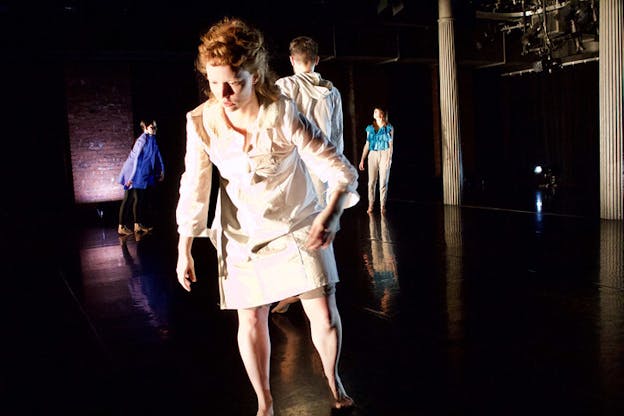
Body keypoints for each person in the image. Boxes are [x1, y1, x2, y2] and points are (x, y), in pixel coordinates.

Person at [175, 18, 358, 415]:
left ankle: (333, 378)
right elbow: (195, 183)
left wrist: (331, 215)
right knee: (251, 318)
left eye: (234, 83)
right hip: (243, 230)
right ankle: (265, 402)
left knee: (323, 312)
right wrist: (184, 246)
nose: (222, 93)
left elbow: (341, 170)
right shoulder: (201, 122)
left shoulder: (281, 113)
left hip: (297, 220)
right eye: (213, 82)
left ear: (254, 75)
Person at [273, 36, 344, 315]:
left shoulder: (284, 87)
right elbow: (336, 139)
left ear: (292, 60)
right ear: (316, 59)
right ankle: (322, 288)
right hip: (323, 170)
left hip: (294, 170)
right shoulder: (332, 93)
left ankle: (294, 291)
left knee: (291, 232)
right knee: (322, 227)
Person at [118, 120, 165, 235]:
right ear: (145, 128)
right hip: (132, 171)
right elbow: (136, 160)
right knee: (128, 199)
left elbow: (157, 155)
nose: (154, 129)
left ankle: (137, 225)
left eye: (155, 127)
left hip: (138, 171)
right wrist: (131, 178)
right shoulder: (142, 140)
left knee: (138, 198)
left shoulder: (151, 139)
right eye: (151, 127)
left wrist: (162, 170)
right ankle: (121, 226)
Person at [358, 107, 394, 214]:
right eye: (374, 111)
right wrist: (362, 159)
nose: (374, 112)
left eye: (376, 111)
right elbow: (367, 144)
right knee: (371, 182)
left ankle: (382, 205)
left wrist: (389, 158)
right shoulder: (370, 128)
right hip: (373, 154)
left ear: (382, 115)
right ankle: (371, 205)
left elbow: (391, 145)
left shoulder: (389, 127)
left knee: (383, 181)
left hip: (384, 153)